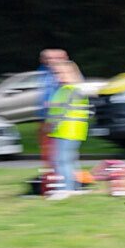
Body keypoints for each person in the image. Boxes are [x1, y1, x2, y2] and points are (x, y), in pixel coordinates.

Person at [46, 61, 89, 200]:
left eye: (59, 73)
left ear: (69, 73)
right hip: (76, 131)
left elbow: (58, 113)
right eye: (55, 73)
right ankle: (75, 186)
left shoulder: (66, 90)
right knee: (70, 160)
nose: (56, 76)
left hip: (66, 130)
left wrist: (50, 125)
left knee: (61, 160)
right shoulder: (78, 89)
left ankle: (64, 188)